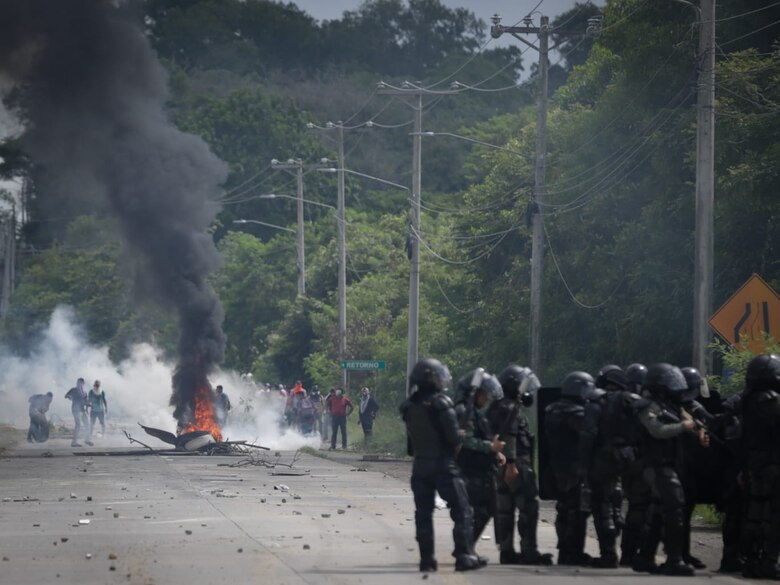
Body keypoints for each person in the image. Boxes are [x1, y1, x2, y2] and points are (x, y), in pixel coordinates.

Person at [400, 357, 483, 572]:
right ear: (431, 379)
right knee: (463, 510)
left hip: (420, 466)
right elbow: (454, 438)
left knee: (423, 514)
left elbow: (411, 444)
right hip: (443, 466)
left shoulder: (409, 406)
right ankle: (464, 556)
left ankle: (426, 560)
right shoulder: (441, 403)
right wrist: (461, 433)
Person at [632, 363, 706, 576]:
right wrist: (684, 427)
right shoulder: (648, 407)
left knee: (659, 511)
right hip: (656, 466)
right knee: (675, 508)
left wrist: (698, 431)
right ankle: (674, 559)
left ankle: (645, 557)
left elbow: (691, 424)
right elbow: (657, 431)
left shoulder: (673, 407)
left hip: (668, 465)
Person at [489, 364, 552, 565]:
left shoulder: (497, 406)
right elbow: (509, 436)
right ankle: (528, 551)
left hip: (500, 466)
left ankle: (506, 551)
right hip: (516, 466)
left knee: (505, 510)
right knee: (528, 507)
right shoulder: (510, 409)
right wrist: (512, 465)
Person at [545, 371, 600, 566]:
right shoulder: (576, 414)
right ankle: (573, 553)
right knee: (578, 511)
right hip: (576, 467)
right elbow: (589, 435)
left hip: (558, 467)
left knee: (564, 509)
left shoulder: (552, 410)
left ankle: (565, 551)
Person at [453, 369, 505, 551]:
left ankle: (466, 548)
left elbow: (482, 436)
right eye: (484, 394)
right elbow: (465, 439)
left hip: (479, 470)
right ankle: (464, 548)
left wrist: (495, 452)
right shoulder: (463, 411)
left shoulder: (475, 412)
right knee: (470, 512)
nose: (487, 398)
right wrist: (489, 447)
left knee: (483, 511)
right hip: (468, 470)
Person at [739, 353, 780, 579]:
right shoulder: (769, 400)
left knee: (755, 513)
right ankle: (768, 560)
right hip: (772, 464)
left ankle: (750, 559)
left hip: (754, 465)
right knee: (774, 515)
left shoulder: (747, 399)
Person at [65, 378, 91, 447]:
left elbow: (85, 402)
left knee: (87, 424)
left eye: (80, 383)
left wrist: (88, 404)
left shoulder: (85, 392)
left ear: (83, 384)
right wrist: (69, 396)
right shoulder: (74, 390)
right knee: (78, 425)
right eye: (78, 382)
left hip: (82, 410)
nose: (78, 384)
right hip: (76, 410)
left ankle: (87, 440)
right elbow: (66, 395)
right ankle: (74, 443)